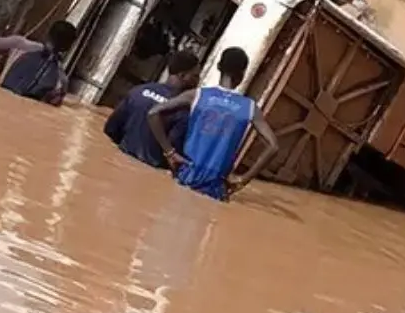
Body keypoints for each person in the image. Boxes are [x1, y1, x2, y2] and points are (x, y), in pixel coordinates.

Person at [147, 47, 280, 201]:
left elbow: (153, 113)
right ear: (242, 74)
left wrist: (170, 152)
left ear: (218, 67)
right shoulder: (249, 107)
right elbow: (273, 146)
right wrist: (244, 179)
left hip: (184, 176)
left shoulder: (198, 95)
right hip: (215, 188)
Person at [104, 50, 203, 169]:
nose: (198, 81)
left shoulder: (138, 91)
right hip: (146, 171)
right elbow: (173, 151)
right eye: (195, 76)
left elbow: (110, 130)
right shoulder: (183, 110)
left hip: (118, 162)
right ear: (182, 76)